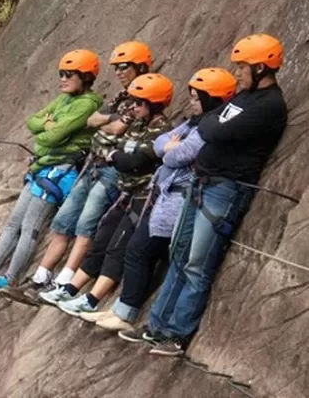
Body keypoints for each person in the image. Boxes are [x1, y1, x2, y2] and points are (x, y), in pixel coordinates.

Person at [119, 34, 288, 357]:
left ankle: (177, 334)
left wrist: (210, 127)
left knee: (197, 262)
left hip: (224, 189)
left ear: (262, 67)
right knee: (179, 255)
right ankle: (156, 327)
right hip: (201, 183)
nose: (237, 72)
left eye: (242, 66)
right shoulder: (243, 98)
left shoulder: (269, 105)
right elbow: (209, 122)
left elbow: (210, 129)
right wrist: (210, 126)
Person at [85, 68, 237, 332]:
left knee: (140, 250)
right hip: (165, 195)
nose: (191, 102)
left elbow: (174, 154)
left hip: (177, 198)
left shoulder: (210, 126)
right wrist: (168, 148)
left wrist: (168, 150)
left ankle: (127, 313)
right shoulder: (193, 122)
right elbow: (161, 145)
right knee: (138, 250)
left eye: (196, 97)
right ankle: (123, 309)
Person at [0, 49, 103, 293]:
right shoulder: (64, 99)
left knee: (31, 226)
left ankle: (11, 279)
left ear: (85, 77)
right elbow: (33, 121)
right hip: (43, 166)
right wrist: (46, 127)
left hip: (59, 171)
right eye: (60, 74)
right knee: (14, 222)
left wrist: (47, 131)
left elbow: (55, 136)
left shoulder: (87, 104)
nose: (62, 79)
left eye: (69, 74)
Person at [22, 42, 153, 295]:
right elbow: (93, 121)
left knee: (86, 225)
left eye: (124, 67)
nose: (119, 72)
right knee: (62, 222)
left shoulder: (144, 97)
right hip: (93, 163)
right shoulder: (120, 97)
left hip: (112, 169)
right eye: (116, 67)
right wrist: (107, 121)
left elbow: (115, 128)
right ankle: (41, 276)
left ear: (140, 66)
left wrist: (106, 122)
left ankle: (64, 284)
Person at [38, 73, 175, 316]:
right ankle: (69, 289)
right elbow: (101, 141)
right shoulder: (136, 122)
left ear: (153, 104)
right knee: (102, 238)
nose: (134, 107)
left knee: (119, 245)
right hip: (126, 191)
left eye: (139, 103)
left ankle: (91, 300)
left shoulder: (161, 130)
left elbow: (134, 160)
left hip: (143, 194)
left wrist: (114, 156)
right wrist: (116, 154)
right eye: (133, 101)